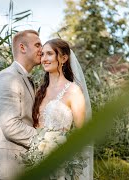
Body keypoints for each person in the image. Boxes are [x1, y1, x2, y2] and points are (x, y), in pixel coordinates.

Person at [0, 29, 42, 180]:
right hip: (7, 168)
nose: (41, 50)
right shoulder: (7, 78)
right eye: (37, 45)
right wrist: (46, 139)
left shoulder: (26, 79)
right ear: (22, 48)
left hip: (22, 164)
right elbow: (11, 126)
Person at [32, 38, 93, 179]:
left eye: (49, 54)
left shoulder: (74, 91)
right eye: (42, 54)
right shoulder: (39, 91)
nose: (44, 59)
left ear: (64, 58)